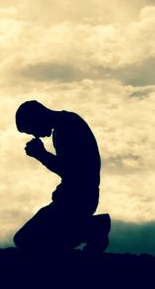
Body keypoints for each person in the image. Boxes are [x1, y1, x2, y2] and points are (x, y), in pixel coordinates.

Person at [13, 100, 110, 252]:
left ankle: (92, 228)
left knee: (27, 240)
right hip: (73, 198)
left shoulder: (68, 127)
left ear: (37, 117)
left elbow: (72, 170)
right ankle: (90, 227)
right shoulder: (64, 126)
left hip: (76, 200)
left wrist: (42, 155)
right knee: (30, 240)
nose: (35, 135)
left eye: (31, 129)